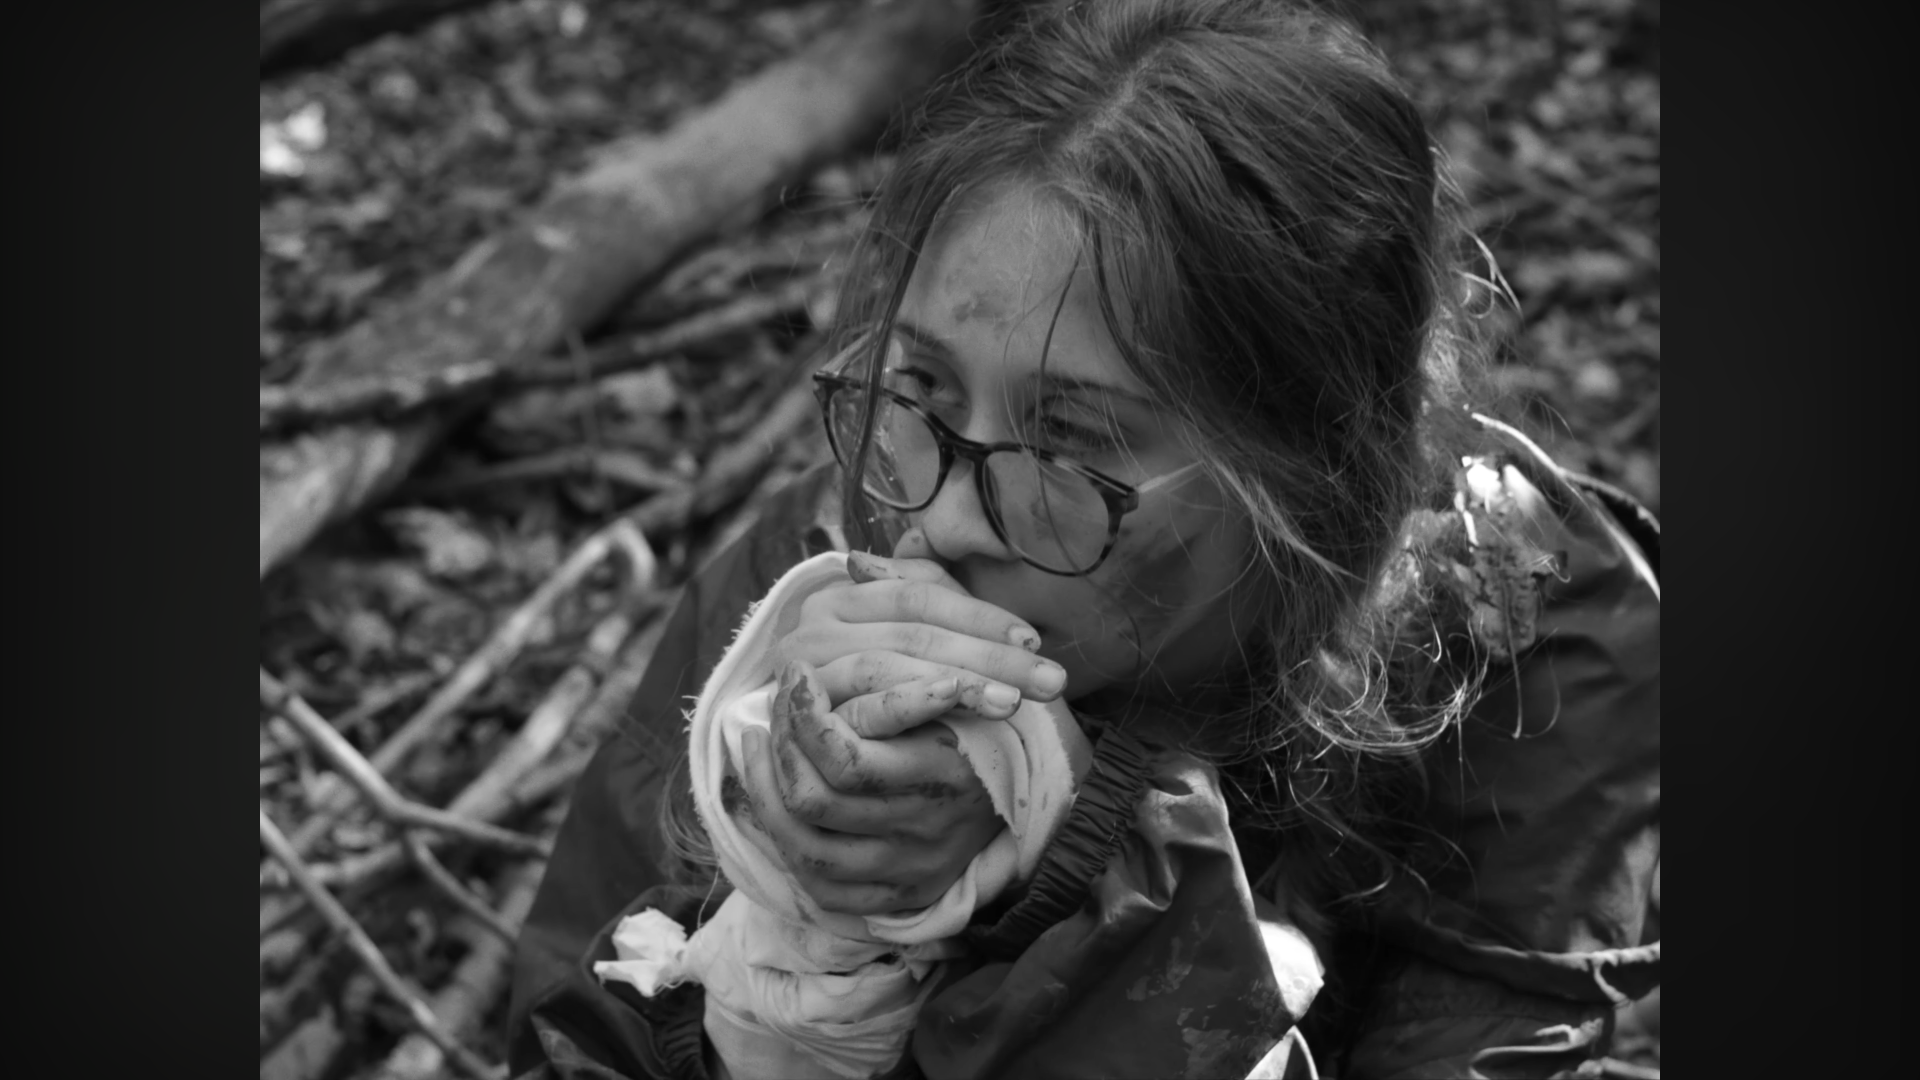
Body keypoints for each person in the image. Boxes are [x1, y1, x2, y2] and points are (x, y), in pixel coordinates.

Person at [506, 1, 1661, 1077]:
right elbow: (569, 1023)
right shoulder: (798, 595)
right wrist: (807, 922)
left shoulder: (1527, 647)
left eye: (1068, 445)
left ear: (1314, 490)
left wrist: (1072, 869)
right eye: (921, 384)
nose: (938, 521)